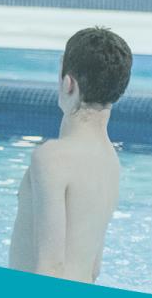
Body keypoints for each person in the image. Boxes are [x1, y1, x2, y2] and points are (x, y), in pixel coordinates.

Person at [8, 27, 133, 283]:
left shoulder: (52, 158)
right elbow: (93, 268)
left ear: (68, 83)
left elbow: (50, 266)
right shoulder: (110, 161)